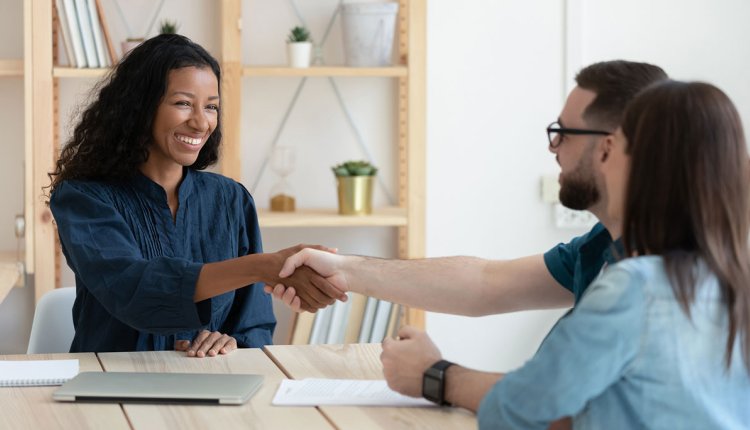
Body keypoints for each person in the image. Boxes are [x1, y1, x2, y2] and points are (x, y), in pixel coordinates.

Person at [48, 34, 345, 356]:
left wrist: (232, 343)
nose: (201, 122)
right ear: (140, 107)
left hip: (211, 382)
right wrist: (263, 265)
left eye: (212, 107)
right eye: (183, 103)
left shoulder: (230, 199)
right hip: (108, 385)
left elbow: (253, 326)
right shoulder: (83, 198)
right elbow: (134, 291)